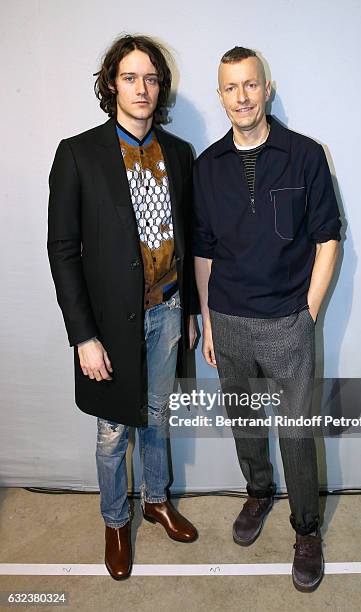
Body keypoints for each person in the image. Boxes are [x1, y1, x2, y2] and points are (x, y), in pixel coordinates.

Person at [47, 34, 199, 581]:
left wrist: (190, 312)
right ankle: (116, 521)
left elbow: (189, 237)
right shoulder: (78, 154)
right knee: (113, 430)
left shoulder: (179, 155)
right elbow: (62, 250)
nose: (142, 88)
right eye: (130, 77)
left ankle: (156, 500)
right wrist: (83, 336)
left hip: (167, 311)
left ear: (161, 88)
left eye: (151, 78)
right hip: (108, 325)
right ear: (112, 83)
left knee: (157, 415)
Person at [193, 46, 342, 592]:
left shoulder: (304, 156)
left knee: (298, 434)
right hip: (229, 320)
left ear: (267, 88)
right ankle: (258, 494)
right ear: (220, 96)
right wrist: (209, 322)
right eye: (230, 88)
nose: (242, 97)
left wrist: (309, 311)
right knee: (246, 424)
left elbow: (328, 237)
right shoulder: (207, 167)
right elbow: (203, 252)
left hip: (286, 322)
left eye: (250, 85)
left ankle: (306, 530)